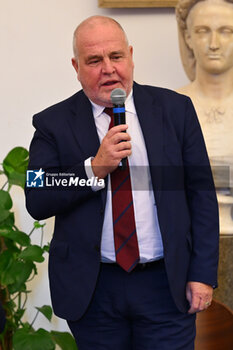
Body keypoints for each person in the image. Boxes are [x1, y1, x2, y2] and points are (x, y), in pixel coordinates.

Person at [25, 15, 219, 350]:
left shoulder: (175, 110)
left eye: (116, 57)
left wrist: (201, 273)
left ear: (130, 55)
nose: (108, 69)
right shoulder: (52, 123)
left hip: (165, 284)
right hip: (94, 288)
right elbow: (37, 195)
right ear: (76, 66)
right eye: (94, 60)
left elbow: (200, 194)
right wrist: (93, 169)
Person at [176, 0, 233, 233]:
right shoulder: (171, 108)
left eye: (226, 31)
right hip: (190, 233)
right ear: (188, 37)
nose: (214, 44)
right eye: (202, 31)